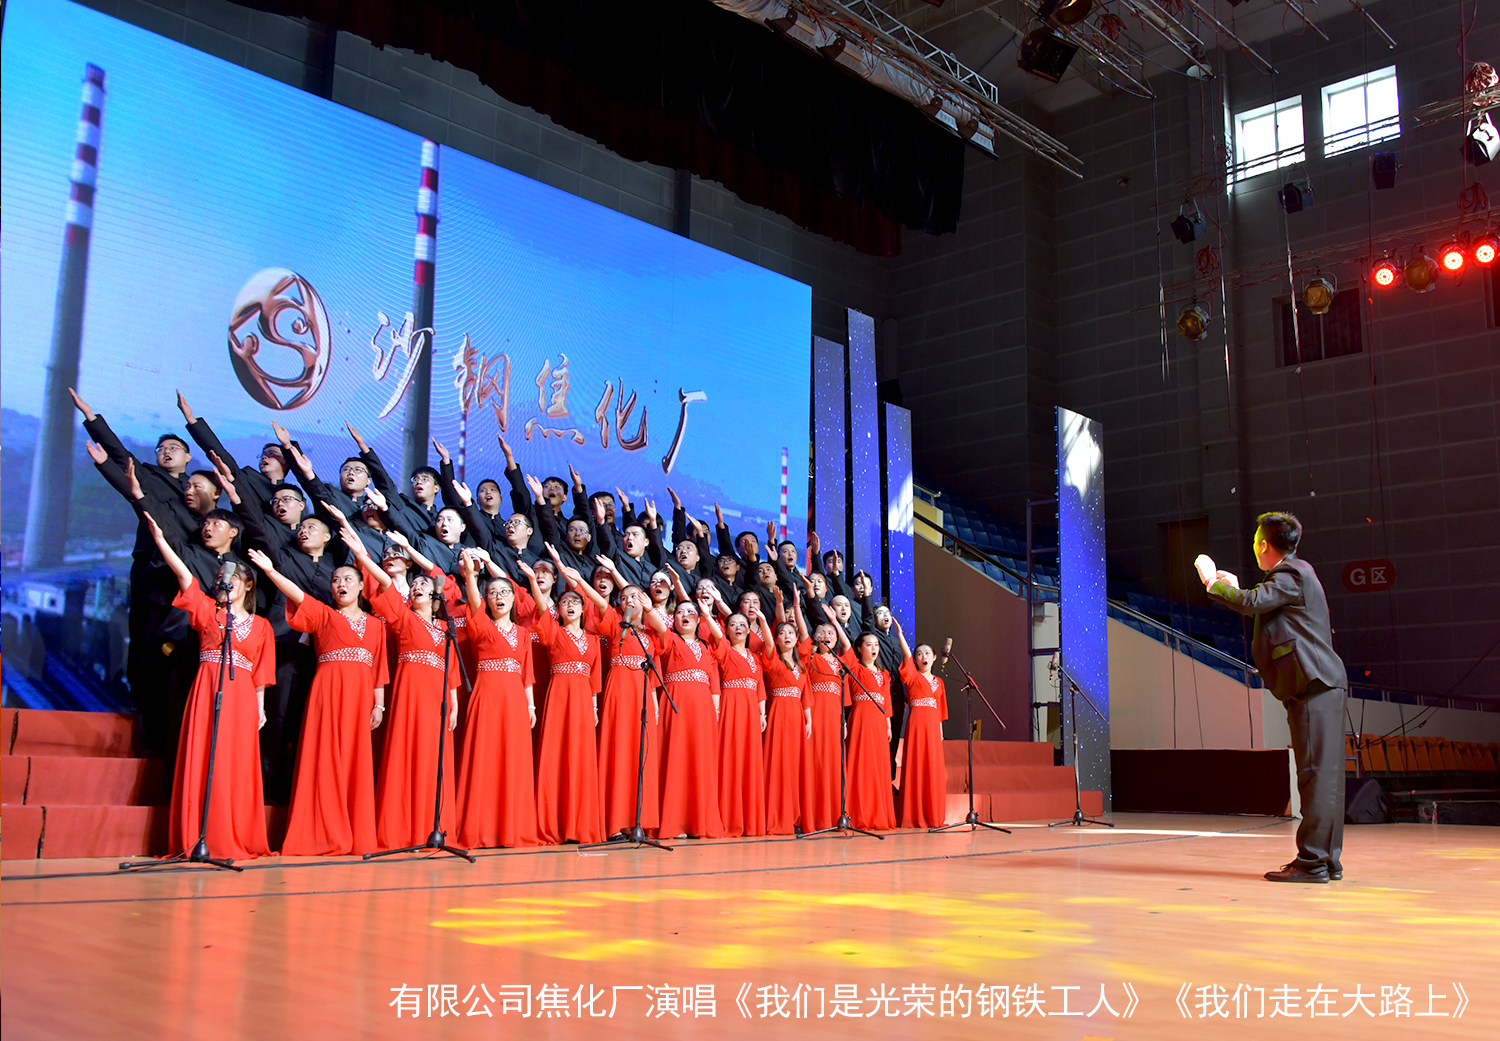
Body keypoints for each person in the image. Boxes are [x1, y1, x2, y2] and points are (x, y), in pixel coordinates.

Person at [1198, 512, 1348, 884]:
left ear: (1264, 544)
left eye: (1255, 541)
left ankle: (1312, 862)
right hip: (1320, 683)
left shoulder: (1291, 573)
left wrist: (1212, 583)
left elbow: (1252, 602)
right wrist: (1237, 588)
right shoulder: (1295, 574)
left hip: (1313, 682)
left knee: (1316, 776)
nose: (1254, 547)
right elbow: (1259, 601)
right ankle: (1326, 860)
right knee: (1325, 777)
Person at [141, 512, 273, 860]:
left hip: (242, 697)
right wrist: (161, 540)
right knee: (203, 757)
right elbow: (184, 576)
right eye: (219, 578)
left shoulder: (261, 626)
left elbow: (261, 672)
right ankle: (198, 836)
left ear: (247, 585)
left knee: (234, 764)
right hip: (207, 689)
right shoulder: (207, 612)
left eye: (231, 577)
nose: (223, 582)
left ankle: (231, 834)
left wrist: (260, 707)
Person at [249, 549, 387, 856]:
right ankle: (321, 833)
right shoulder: (324, 615)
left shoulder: (376, 625)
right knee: (324, 757)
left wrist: (378, 705)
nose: (341, 584)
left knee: (355, 762)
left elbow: (379, 668)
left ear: (361, 586)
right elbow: (297, 594)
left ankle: (354, 833)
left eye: (348, 579)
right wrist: (271, 571)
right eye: (336, 580)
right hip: (327, 693)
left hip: (361, 698)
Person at [342, 524, 460, 851]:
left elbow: (451, 669)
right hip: (410, 693)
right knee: (407, 752)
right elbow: (383, 584)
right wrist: (361, 553)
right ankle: (401, 828)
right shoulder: (403, 617)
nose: (419, 587)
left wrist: (453, 703)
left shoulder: (444, 628)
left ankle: (434, 826)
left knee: (434, 757)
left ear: (435, 598)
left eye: (425, 584)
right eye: (415, 584)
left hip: (438, 697)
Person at [454, 552, 539, 849]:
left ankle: (511, 828)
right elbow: (473, 602)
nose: (499, 597)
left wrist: (531, 706)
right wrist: (471, 576)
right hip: (487, 696)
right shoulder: (481, 625)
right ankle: (482, 827)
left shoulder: (522, 634)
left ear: (514, 599)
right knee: (485, 758)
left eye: (504, 592)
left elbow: (527, 673)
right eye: (493, 593)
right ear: (486, 599)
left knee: (512, 761)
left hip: (515, 700)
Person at [522, 549, 605, 845]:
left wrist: (594, 708)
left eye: (575, 602)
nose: (570, 605)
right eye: (565, 602)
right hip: (558, 695)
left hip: (583, 701)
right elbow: (541, 610)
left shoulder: (593, 641)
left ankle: (578, 824)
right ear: (558, 609)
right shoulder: (554, 632)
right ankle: (553, 823)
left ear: (583, 610)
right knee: (556, 755)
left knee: (581, 758)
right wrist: (532, 581)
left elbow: (595, 678)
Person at [578, 558, 661, 838]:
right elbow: (600, 603)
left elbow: (657, 659)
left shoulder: (650, 633)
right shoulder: (616, 624)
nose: (628, 601)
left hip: (643, 694)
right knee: (618, 751)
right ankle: (614, 822)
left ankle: (637, 820)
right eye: (623, 598)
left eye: (634, 597)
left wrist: (655, 705)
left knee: (640, 753)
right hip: (618, 690)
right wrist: (584, 580)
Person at [644, 598, 725, 840]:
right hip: (676, 704)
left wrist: (715, 711)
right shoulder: (670, 639)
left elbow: (714, 681)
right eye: (680, 612)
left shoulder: (706, 647)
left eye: (690, 612)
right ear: (674, 619)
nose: (685, 615)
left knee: (700, 761)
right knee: (676, 759)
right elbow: (659, 627)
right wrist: (649, 608)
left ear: (698, 620)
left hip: (703, 709)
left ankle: (697, 821)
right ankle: (676, 821)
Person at [822, 604, 895, 831]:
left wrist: (888, 724)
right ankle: (859, 813)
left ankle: (878, 814)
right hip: (861, 720)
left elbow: (886, 702)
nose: (873, 648)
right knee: (860, 765)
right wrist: (835, 622)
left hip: (879, 722)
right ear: (860, 649)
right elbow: (845, 644)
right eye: (869, 645)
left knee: (878, 767)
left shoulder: (884, 673)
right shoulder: (854, 667)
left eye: (876, 645)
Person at [709, 593, 768, 838]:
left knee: (749, 761)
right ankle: (728, 818)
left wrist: (762, 713)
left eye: (742, 624)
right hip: (730, 705)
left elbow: (760, 687)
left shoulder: (755, 658)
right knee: (730, 758)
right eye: (732, 624)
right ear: (727, 630)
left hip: (751, 710)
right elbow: (717, 635)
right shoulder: (725, 650)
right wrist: (708, 614)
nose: (738, 628)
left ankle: (750, 820)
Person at [755, 597, 813, 836]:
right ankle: (777, 815)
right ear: (776, 639)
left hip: (797, 717)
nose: (787, 636)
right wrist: (763, 621)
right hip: (778, 713)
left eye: (791, 633)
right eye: (782, 633)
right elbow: (768, 644)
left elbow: (806, 695)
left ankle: (795, 816)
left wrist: (809, 720)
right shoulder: (773, 660)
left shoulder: (802, 666)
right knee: (778, 763)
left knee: (795, 766)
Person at [894, 622, 948, 829]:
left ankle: (932, 814)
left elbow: (940, 711)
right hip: (916, 724)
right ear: (915, 660)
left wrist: (940, 733)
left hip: (933, 727)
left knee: (932, 768)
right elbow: (906, 656)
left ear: (934, 658)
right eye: (919, 654)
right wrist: (901, 635)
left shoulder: (939, 682)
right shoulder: (912, 676)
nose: (923, 656)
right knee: (916, 765)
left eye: (927, 653)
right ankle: (913, 815)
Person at [800, 620, 846, 833]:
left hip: (835, 717)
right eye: (823, 632)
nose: (827, 636)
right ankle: (814, 817)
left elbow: (844, 697)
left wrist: (844, 721)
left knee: (834, 762)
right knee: (816, 760)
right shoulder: (811, 658)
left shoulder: (840, 664)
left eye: (831, 633)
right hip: (815, 713)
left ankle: (835, 815)